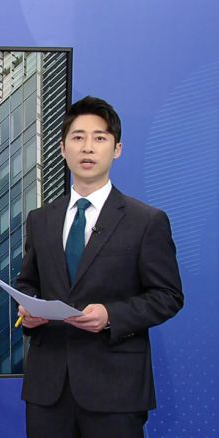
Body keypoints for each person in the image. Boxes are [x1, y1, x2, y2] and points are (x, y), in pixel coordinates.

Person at [14, 96, 184, 437]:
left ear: (116, 149)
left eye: (100, 138)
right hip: (48, 390)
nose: (87, 147)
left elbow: (168, 296)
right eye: (77, 137)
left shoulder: (146, 221)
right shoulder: (40, 219)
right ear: (62, 149)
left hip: (115, 388)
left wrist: (110, 315)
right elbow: (28, 283)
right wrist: (27, 311)